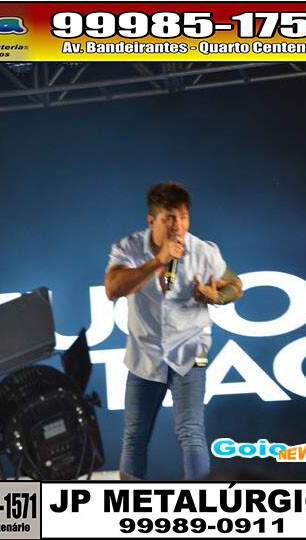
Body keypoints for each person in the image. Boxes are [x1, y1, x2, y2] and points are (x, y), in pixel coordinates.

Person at [104, 182, 243, 480]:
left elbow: (235, 285)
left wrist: (215, 296)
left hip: (190, 352)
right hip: (144, 357)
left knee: (191, 433)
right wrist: (158, 262)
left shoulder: (203, 251)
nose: (178, 225)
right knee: (134, 438)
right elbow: (113, 289)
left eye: (183, 217)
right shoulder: (128, 248)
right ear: (151, 220)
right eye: (169, 217)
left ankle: (202, 503)